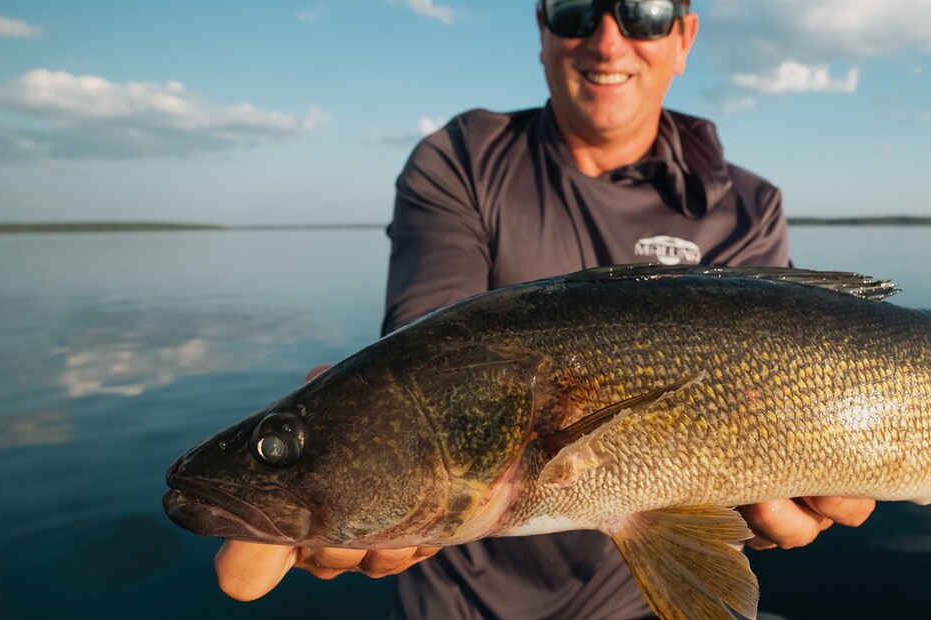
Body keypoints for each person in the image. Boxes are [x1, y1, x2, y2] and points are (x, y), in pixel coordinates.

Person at [213, 1, 875, 617]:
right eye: (575, 9)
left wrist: (771, 511)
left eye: (644, 12)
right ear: (541, 28)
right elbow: (433, 351)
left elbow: (763, 425)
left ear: (683, 38)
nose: (607, 37)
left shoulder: (748, 207)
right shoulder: (467, 160)